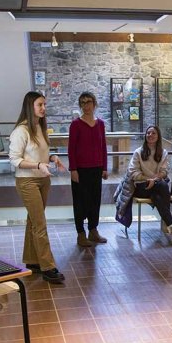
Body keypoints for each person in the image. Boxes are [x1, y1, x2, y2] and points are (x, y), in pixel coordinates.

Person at [8, 91, 66, 284]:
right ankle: (48, 267)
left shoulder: (40, 128)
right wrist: (38, 165)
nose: (43, 108)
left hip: (43, 179)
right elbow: (15, 160)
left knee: (33, 221)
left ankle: (32, 261)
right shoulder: (20, 131)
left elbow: (40, 155)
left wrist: (52, 158)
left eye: (44, 104)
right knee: (40, 223)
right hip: (27, 181)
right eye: (40, 105)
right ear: (30, 107)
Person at [127, 125, 172, 245]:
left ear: (158, 136)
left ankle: (171, 225)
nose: (150, 135)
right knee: (162, 185)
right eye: (148, 133)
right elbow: (133, 172)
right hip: (141, 186)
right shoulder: (138, 152)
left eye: (153, 133)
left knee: (157, 196)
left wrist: (154, 180)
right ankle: (170, 217)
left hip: (156, 185)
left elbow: (164, 171)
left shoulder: (163, 153)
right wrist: (149, 179)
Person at [68, 92, 108, 247]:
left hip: (96, 169)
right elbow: (71, 149)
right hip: (80, 171)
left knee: (94, 201)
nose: (86, 106)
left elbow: (103, 147)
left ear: (94, 104)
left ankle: (93, 230)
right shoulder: (76, 124)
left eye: (89, 102)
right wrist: (73, 169)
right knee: (80, 202)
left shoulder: (101, 124)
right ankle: (80, 234)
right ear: (80, 105)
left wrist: (104, 167)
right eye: (83, 103)